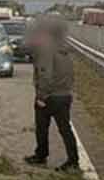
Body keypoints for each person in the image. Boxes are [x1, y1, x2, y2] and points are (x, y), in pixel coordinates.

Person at [24, 20, 80, 172]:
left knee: (42, 128)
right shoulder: (65, 50)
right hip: (64, 95)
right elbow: (70, 74)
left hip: (49, 96)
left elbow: (45, 73)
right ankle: (73, 160)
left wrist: (41, 96)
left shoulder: (46, 50)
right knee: (65, 129)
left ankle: (41, 155)